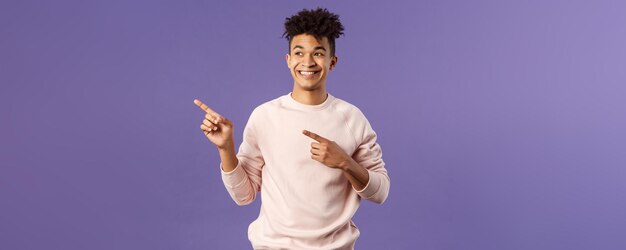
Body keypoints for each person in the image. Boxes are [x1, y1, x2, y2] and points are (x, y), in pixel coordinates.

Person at [194, 8, 390, 250]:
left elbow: (380, 192)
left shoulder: (352, 118)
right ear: (288, 61)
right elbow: (243, 196)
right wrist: (226, 148)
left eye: (318, 53)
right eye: (299, 53)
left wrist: (346, 163)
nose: (307, 62)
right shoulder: (265, 116)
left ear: (333, 61)